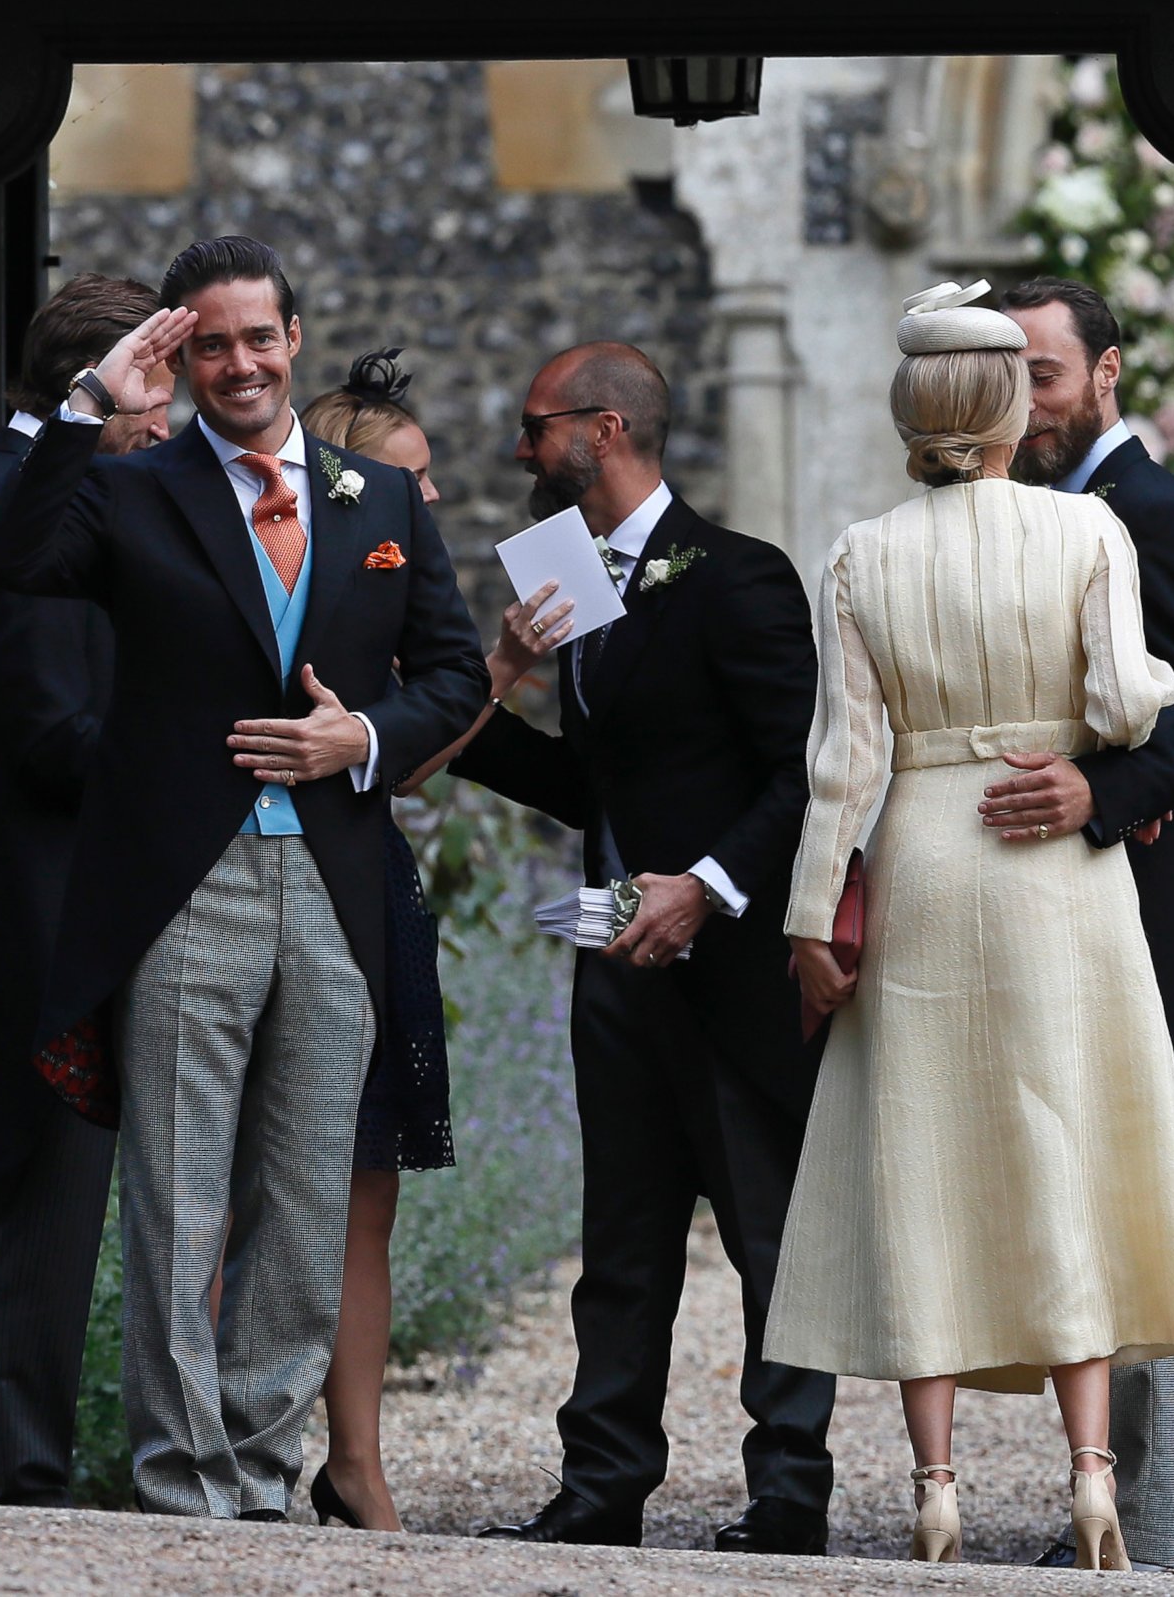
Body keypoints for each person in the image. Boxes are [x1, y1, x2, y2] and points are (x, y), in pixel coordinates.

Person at [0, 237, 489, 1521]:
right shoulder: (131, 487)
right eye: (209, 344)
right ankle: (183, 1479)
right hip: (181, 884)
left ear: (295, 338)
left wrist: (357, 737)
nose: (239, 363)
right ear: (181, 355)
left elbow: (455, 673)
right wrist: (88, 400)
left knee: (312, 1200)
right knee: (177, 1200)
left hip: (335, 883)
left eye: (258, 338)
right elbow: (14, 558)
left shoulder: (380, 497)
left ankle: (258, 1468)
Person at [768, 282, 1174, 1570]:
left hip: (922, 853)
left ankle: (935, 1484)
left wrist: (814, 920)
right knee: (1062, 1149)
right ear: (1014, 402)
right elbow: (1131, 701)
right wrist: (1129, 706)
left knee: (926, 1159)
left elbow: (840, 765)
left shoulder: (860, 553)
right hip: (1046, 871)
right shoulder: (1087, 534)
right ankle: (1092, 1479)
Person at [451, 342, 835, 1554]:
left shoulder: (741, 576)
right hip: (609, 952)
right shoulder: (564, 575)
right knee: (617, 1243)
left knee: (768, 1239)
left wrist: (709, 888)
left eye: (534, 425)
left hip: (723, 964)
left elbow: (801, 772)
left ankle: (787, 1495)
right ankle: (603, 1482)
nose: (518, 448)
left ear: (602, 429)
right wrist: (479, 701)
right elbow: (591, 780)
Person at [988, 276, 1174, 1575]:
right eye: (1009, 373)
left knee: (1116, 1220)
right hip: (1066, 907)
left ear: (1107, 374)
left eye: (1044, 372)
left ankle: (1147, 1522)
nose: (1026, 399)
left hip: (1148, 910)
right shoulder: (1023, 515)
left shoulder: (1151, 512)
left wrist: (1102, 792)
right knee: (1104, 1215)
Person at [0, 273, 169, 1506]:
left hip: (38, 906)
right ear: (98, 386)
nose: (164, 426)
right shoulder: (21, 506)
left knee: (52, 1218)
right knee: (41, 1214)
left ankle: (17, 1470)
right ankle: (12, 1486)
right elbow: (50, 731)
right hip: (39, 921)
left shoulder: (17, 487)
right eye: (151, 394)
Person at [295, 348, 453, 1533]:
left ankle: (358, 1461)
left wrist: (491, 671)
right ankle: (216, 1451)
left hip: (369, 865)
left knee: (365, 1193)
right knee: (238, 1187)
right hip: (257, 853)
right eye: (413, 478)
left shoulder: (413, 570)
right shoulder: (298, 554)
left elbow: (409, 739)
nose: (430, 500)